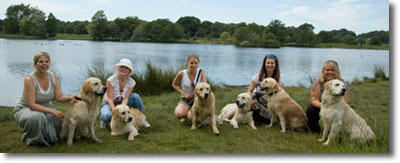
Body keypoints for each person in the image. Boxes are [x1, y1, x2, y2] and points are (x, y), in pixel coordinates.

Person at [13, 52, 79, 146]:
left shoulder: (53, 76)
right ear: (35, 64)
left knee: (59, 121)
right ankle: (35, 140)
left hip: (46, 106)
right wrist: (52, 111)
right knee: (37, 117)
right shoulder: (29, 79)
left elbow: (58, 97)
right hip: (26, 108)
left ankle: (49, 137)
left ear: (49, 63)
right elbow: (31, 104)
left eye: (46, 61)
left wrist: (70, 97)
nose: (44, 64)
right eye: (41, 62)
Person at [306, 60, 350, 133]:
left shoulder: (343, 84)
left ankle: (338, 130)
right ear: (323, 71)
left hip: (337, 107)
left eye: (333, 70)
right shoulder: (318, 82)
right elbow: (314, 99)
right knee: (311, 109)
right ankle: (314, 130)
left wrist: (332, 108)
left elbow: (345, 102)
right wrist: (324, 107)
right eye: (327, 70)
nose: (330, 72)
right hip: (322, 105)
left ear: (337, 72)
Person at [100, 58, 145, 128]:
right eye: (122, 67)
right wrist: (115, 111)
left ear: (129, 70)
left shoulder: (132, 82)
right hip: (108, 103)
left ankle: (140, 118)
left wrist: (123, 109)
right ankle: (104, 121)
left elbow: (126, 98)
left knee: (135, 96)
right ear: (119, 68)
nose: (123, 69)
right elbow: (109, 98)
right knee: (106, 116)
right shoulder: (111, 80)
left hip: (122, 102)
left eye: (126, 68)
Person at [246, 54, 284, 125]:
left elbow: (280, 94)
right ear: (264, 64)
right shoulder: (257, 76)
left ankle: (266, 119)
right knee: (255, 96)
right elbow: (250, 91)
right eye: (268, 63)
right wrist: (249, 100)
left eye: (272, 63)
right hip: (257, 100)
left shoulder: (280, 77)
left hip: (272, 101)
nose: (270, 65)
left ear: (276, 65)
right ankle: (263, 118)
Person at [172, 54, 206, 121]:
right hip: (186, 99)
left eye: (196, 63)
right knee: (179, 114)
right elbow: (174, 84)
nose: (194, 65)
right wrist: (184, 93)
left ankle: (192, 115)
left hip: (198, 99)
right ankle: (189, 114)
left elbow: (205, 85)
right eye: (191, 63)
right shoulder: (181, 73)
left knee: (205, 113)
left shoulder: (201, 72)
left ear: (198, 63)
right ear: (188, 63)